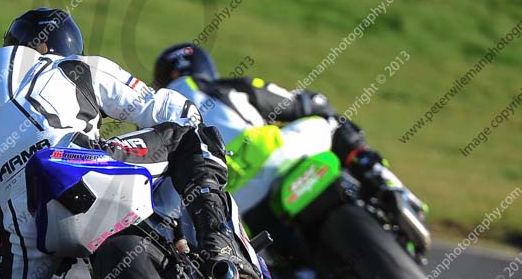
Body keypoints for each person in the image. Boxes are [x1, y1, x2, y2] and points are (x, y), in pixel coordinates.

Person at [0, 9, 268, 279]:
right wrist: (191, 118)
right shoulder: (76, 67)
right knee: (192, 134)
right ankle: (217, 241)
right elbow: (159, 107)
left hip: (18, 222)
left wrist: (5, 248)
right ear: (60, 45)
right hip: (80, 163)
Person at [151, 42, 426, 231]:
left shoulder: (155, 119)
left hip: (228, 196)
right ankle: (379, 176)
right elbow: (309, 103)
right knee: (327, 119)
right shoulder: (232, 87)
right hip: (275, 152)